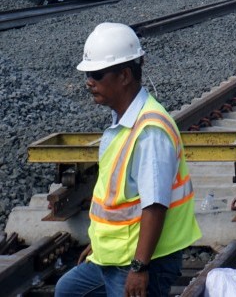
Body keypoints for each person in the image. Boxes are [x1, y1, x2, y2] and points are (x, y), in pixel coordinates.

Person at [55, 23, 201, 297]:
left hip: (144, 259)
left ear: (124, 76)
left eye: (96, 74)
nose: (89, 82)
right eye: (88, 74)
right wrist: (99, 246)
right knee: (68, 290)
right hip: (114, 256)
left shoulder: (149, 132)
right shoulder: (123, 123)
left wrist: (139, 267)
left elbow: (155, 205)